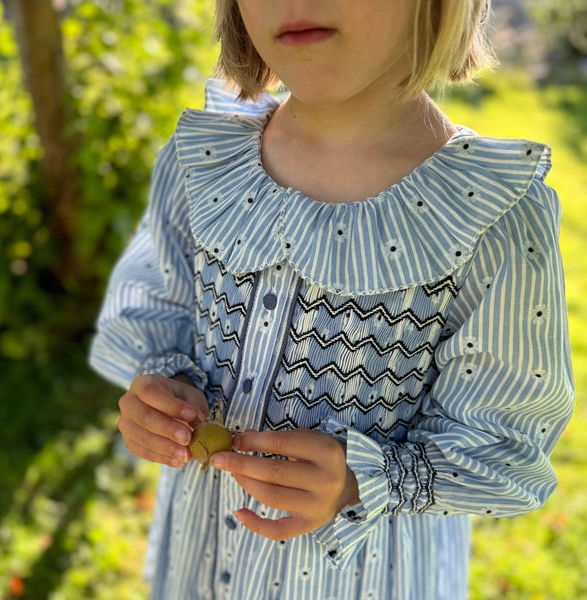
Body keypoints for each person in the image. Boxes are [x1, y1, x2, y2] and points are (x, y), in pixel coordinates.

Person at [89, 1, 575, 598]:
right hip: (204, 552)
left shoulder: (487, 213)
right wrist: (162, 391)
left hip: (364, 575)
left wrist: (363, 481)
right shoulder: (205, 161)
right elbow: (157, 307)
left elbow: (505, 445)